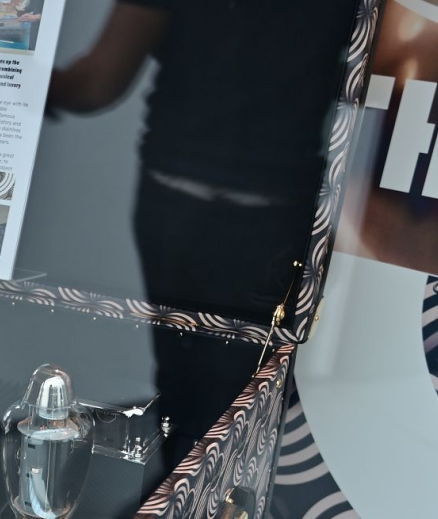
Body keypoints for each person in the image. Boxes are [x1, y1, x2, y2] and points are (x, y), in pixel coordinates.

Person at [49, 0, 352, 435]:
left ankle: (179, 474)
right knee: (250, 400)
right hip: (276, 211)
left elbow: (96, 85)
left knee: (183, 387)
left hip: (179, 204)